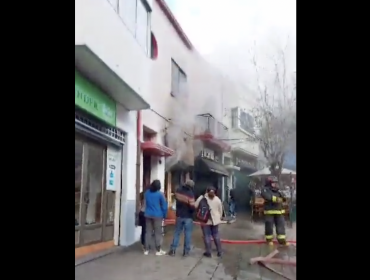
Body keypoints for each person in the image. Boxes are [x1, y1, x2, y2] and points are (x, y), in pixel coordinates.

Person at [168, 179, 195, 257]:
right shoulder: (190, 194)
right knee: (188, 234)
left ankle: (173, 250)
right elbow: (192, 207)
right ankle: (186, 252)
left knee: (177, 233)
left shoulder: (178, 191)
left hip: (179, 215)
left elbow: (176, 200)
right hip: (188, 217)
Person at [195, 186, 223, 258]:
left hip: (205, 220)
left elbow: (195, 206)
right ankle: (219, 252)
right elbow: (221, 210)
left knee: (207, 236)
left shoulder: (202, 198)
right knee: (216, 236)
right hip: (215, 221)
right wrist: (219, 217)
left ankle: (208, 252)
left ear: (206, 191)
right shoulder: (217, 199)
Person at [261, 176, 288, 246]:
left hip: (279, 211)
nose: (275, 184)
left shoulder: (278, 190)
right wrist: (277, 199)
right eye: (273, 183)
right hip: (269, 211)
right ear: (269, 183)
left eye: (276, 183)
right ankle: (269, 240)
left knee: (281, 226)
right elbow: (267, 196)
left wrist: (283, 198)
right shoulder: (265, 189)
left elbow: (284, 197)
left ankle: (282, 240)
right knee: (269, 226)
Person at [144, 179, 168, 255]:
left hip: (148, 214)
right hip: (158, 215)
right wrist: (164, 215)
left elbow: (145, 203)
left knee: (148, 232)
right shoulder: (160, 194)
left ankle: (146, 249)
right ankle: (158, 250)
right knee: (158, 233)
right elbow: (164, 206)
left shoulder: (147, 193)